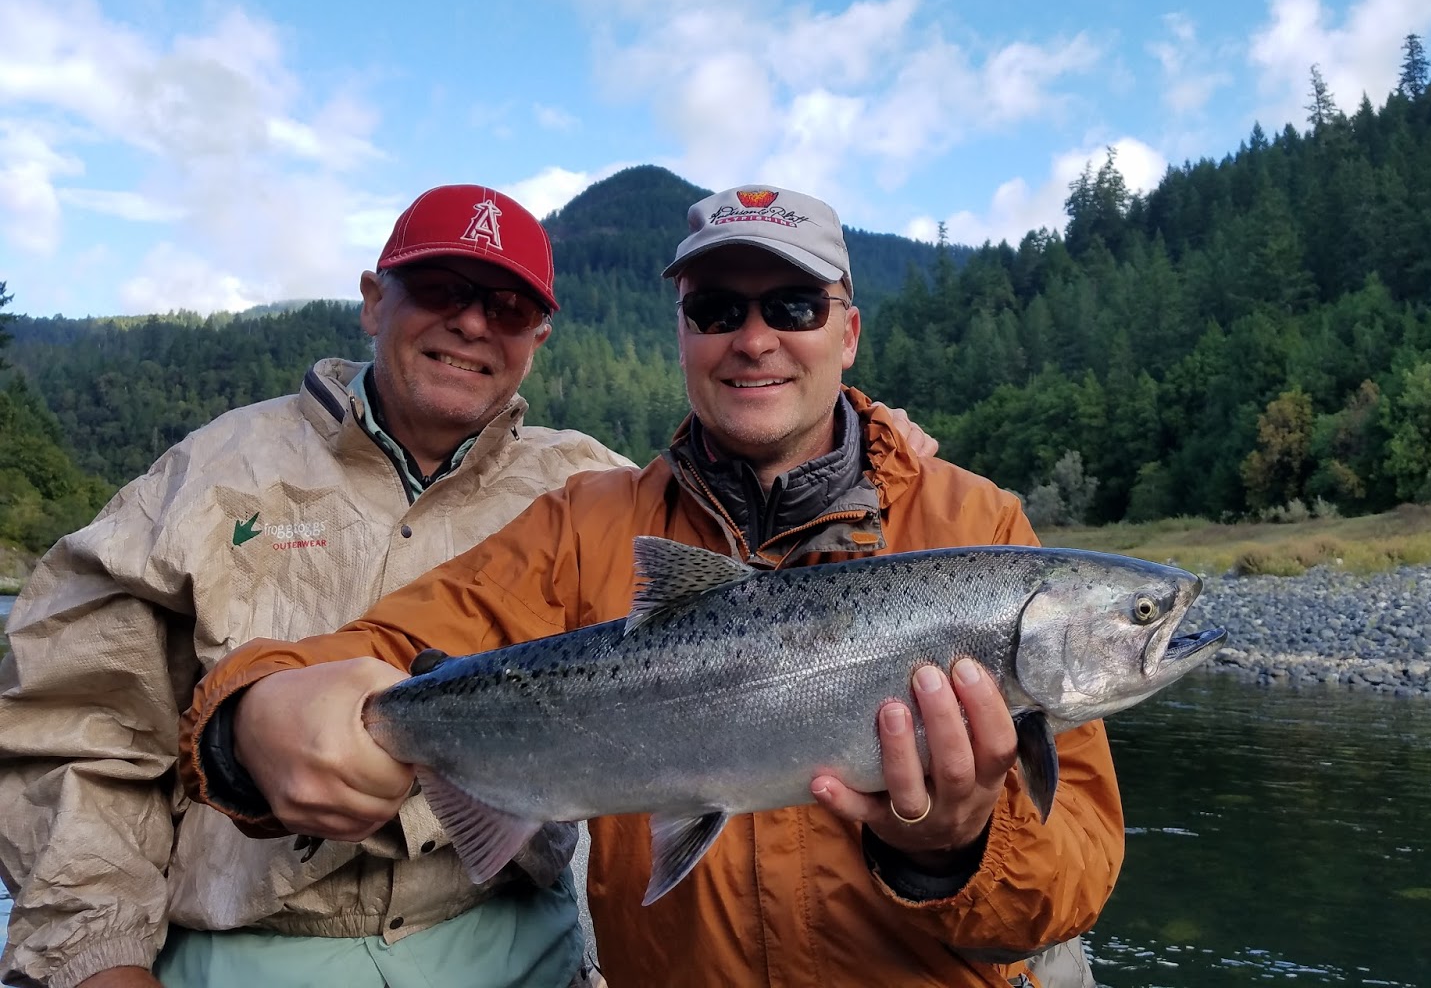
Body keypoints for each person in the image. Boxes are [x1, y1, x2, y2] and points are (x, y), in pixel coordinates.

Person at [178, 185, 1125, 987]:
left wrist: (951, 851)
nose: (754, 339)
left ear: (849, 332)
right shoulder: (584, 526)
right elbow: (371, 653)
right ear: (682, 334)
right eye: (718, 310)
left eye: (792, 307)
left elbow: (1073, 886)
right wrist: (245, 724)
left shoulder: (980, 530)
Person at [0, 185, 637, 988]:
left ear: (536, 339)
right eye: (441, 289)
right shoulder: (213, 472)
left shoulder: (595, 490)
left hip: (520, 946)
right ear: (374, 302)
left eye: (508, 308)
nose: (473, 323)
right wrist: (98, 960)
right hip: (244, 956)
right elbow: (76, 725)